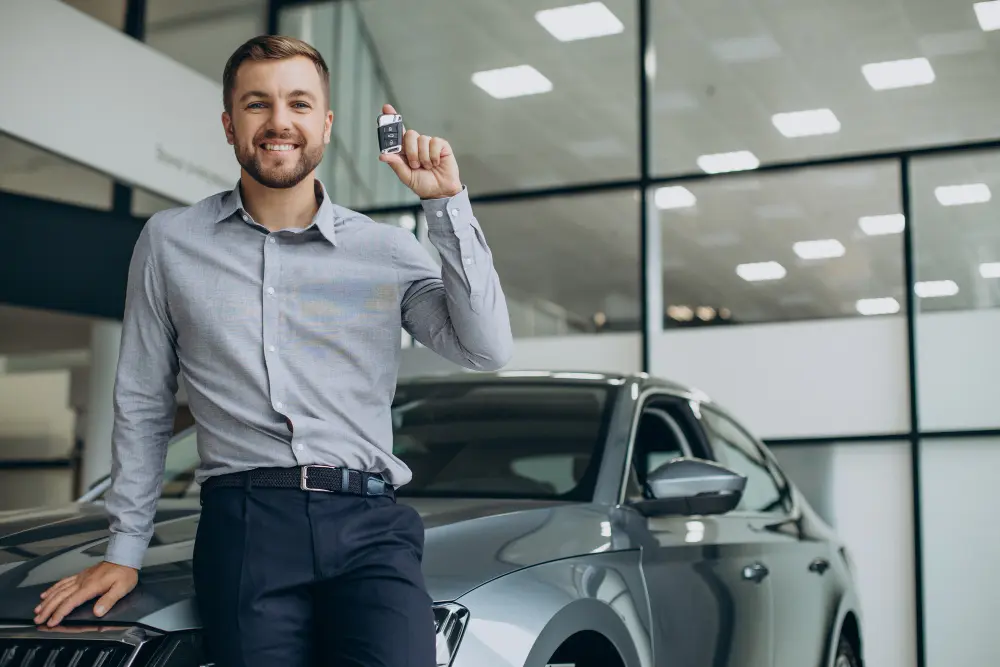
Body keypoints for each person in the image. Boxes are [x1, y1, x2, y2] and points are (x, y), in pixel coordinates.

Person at [33, 34, 512, 667]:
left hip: (370, 525)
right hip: (244, 525)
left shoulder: (388, 251)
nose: (279, 121)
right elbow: (144, 400)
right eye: (257, 104)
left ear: (326, 123)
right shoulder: (170, 242)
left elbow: (487, 350)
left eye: (299, 104)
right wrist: (124, 550)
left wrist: (445, 205)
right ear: (230, 124)